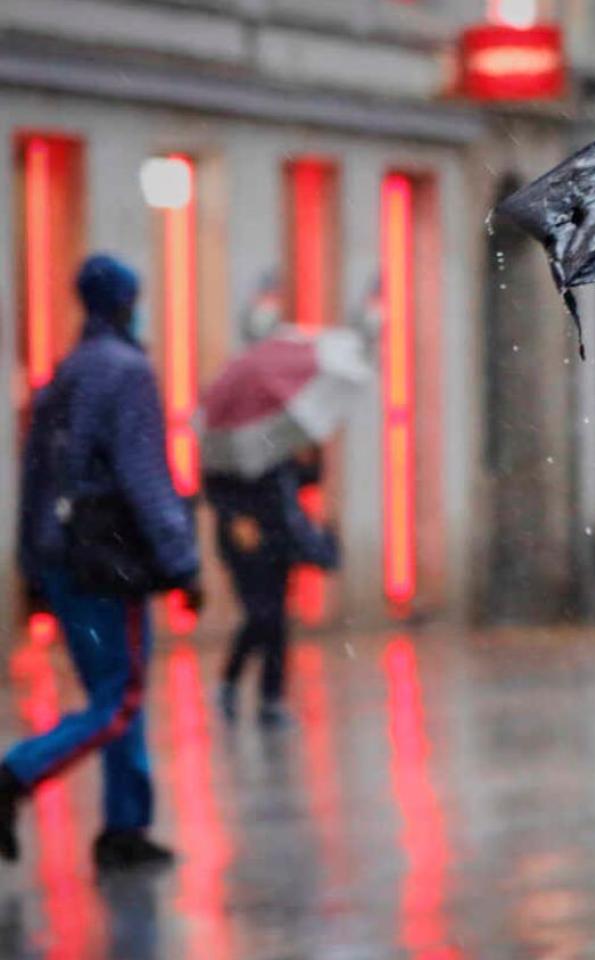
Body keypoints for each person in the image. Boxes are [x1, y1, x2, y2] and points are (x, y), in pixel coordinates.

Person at [1, 254, 203, 871]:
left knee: (113, 694)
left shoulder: (62, 374)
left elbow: (34, 476)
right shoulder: (127, 372)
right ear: (123, 303)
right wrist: (182, 560)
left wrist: (33, 564)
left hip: (63, 561)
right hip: (108, 563)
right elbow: (144, 475)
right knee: (119, 698)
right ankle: (16, 773)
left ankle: (125, 825)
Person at [206, 446, 339, 725]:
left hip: (279, 540)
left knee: (276, 620)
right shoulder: (230, 442)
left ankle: (271, 698)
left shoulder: (279, 441)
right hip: (246, 544)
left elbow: (301, 479)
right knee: (260, 615)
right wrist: (235, 516)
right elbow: (214, 486)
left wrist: (313, 455)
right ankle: (230, 682)